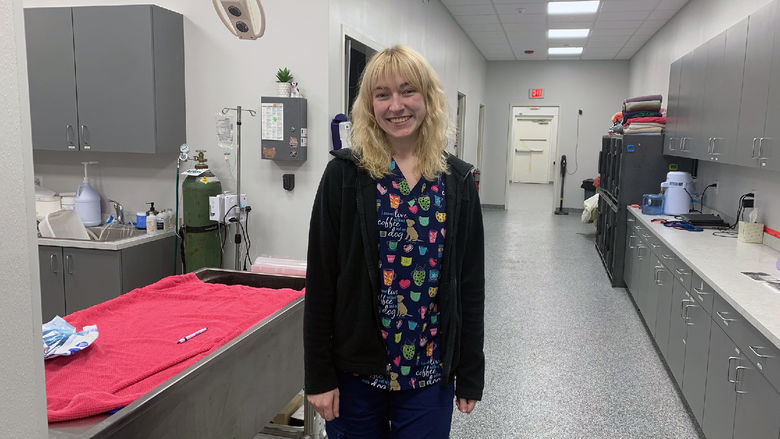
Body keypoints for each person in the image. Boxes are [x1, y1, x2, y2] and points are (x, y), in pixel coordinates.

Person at [305, 45, 485, 439]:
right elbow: (321, 281)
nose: (396, 105)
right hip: (355, 372)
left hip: (429, 371)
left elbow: (470, 284)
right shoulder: (344, 176)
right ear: (369, 104)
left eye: (408, 91)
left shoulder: (455, 182)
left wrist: (470, 370)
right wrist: (318, 375)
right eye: (382, 94)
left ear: (429, 99)